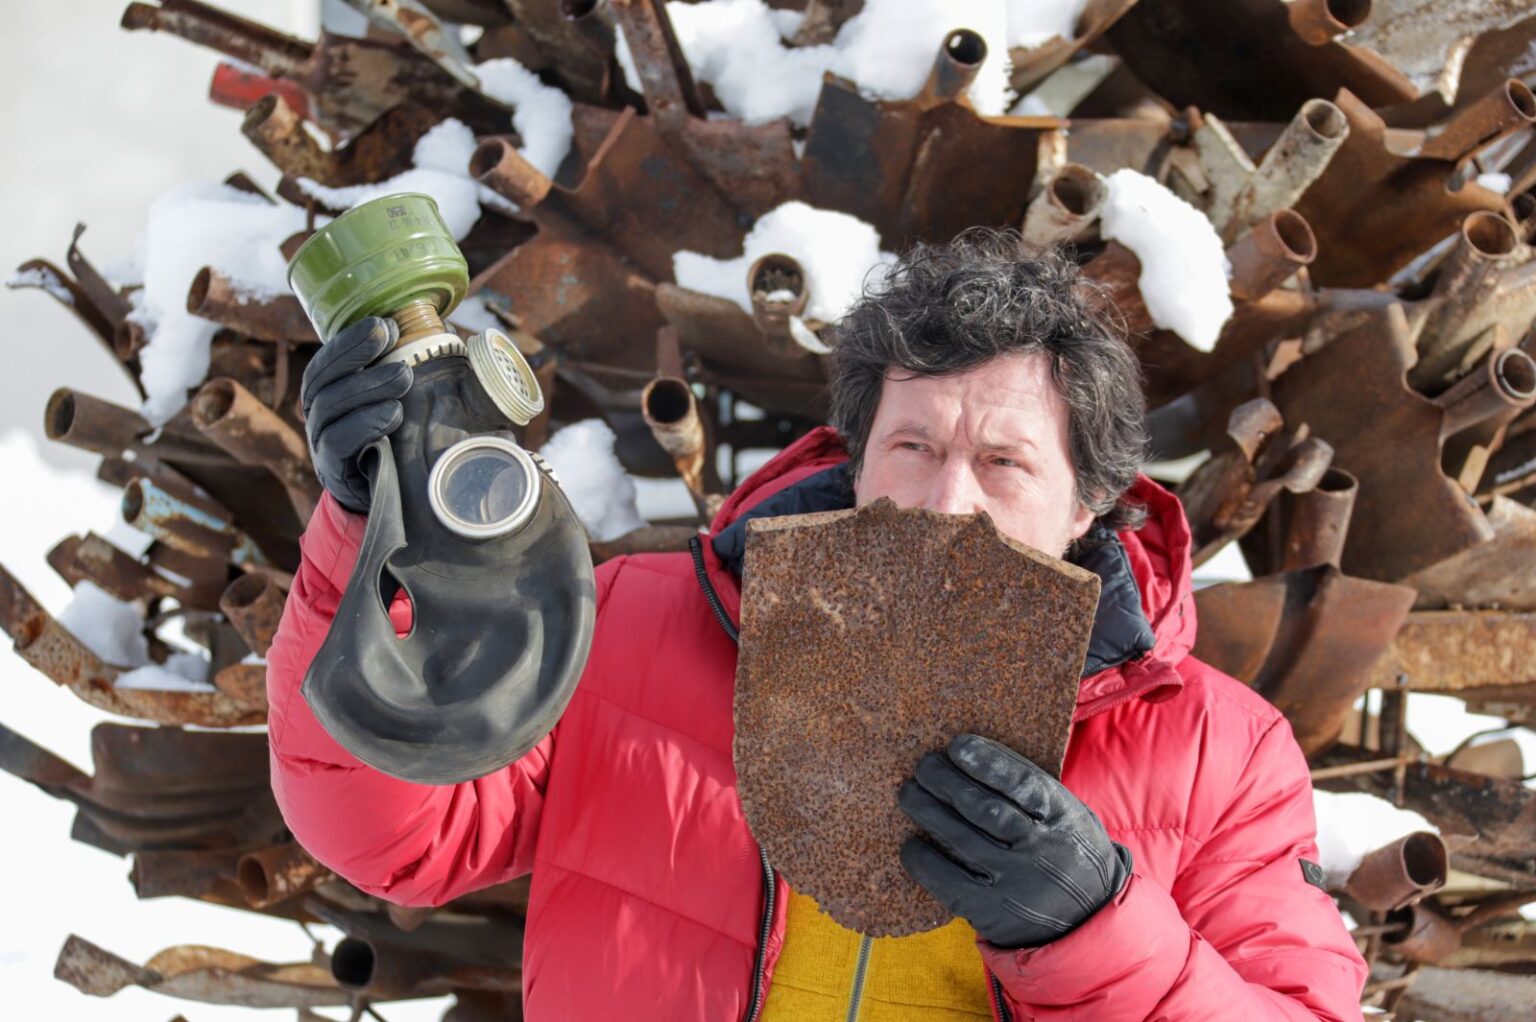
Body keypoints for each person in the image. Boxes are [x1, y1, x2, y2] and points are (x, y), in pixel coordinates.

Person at [268, 229, 1368, 1020]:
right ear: (854, 459)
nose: (948, 500)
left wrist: (1094, 926)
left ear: (1089, 502)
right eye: (914, 447)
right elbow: (392, 836)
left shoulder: (1216, 750)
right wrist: (373, 524)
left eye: (1004, 463)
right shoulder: (647, 623)